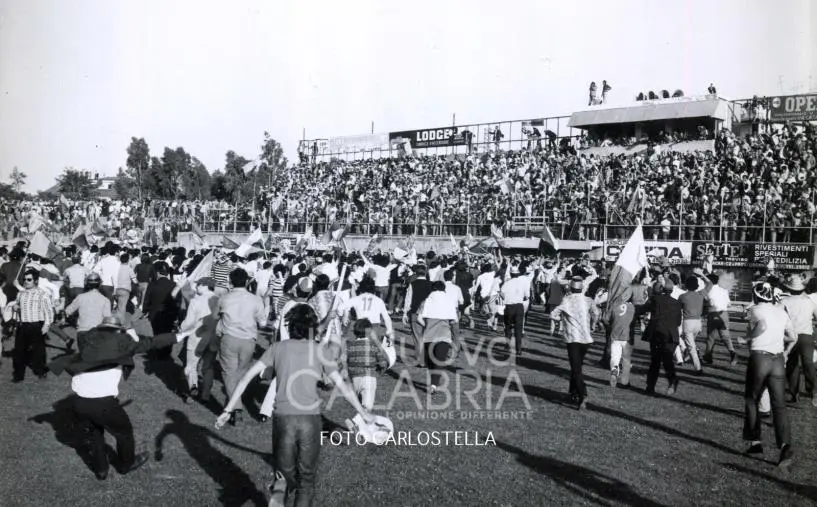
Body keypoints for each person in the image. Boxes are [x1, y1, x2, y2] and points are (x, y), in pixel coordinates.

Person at [215, 304, 373, 507]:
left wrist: (228, 410)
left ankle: (279, 494)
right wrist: (363, 413)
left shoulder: (277, 348)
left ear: (290, 326)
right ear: (313, 327)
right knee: (306, 481)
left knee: (282, 476)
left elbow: (245, 378)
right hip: (310, 421)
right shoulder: (319, 350)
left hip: (283, 419)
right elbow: (342, 386)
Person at [47, 315, 188, 480]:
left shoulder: (88, 342)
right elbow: (151, 342)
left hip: (79, 402)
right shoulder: (122, 345)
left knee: (94, 433)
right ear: (118, 330)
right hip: (103, 404)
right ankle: (125, 465)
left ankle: (101, 469)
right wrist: (180, 335)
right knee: (124, 432)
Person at [742, 282, 795, 468]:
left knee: (752, 399)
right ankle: (784, 445)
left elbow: (761, 327)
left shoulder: (755, 310)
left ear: (756, 297)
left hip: (760, 357)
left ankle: (755, 442)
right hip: (778, 359)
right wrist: (783, 346)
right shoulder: (781, 312)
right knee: (779, 405)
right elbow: (793, 336)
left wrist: (747, 338)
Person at [217, 267, 266, 426]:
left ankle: (235, 407)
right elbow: (262, 322)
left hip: (229, 338)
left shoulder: (224, 298)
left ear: (230, 282)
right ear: (246, 281)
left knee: (229, 373)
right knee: (240, 373)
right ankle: (236, 404)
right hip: (248, 340)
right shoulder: (255, 299)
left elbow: (216, 315)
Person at [551, 277, 593, 409]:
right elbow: (596, 312)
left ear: (571, 288)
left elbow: (552, 315)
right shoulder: (588, 300)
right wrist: (592, 324)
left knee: (576, 368)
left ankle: (583, 394)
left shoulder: (567, 300)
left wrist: (561, 319)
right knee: (577, 366)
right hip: (586, 339)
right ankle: (573, 392)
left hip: (573, 338)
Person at [176, 276, 219, 403]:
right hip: (214, 337)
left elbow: (189, 321)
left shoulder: (196, 300)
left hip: (196, 336)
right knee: (208, 366)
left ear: (206, 286)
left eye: (199, 284)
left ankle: (193, 386)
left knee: (191, 365)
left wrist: (181, 328)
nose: (196, 287)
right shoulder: (219, 300)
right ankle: (206, 393)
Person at [11, 268, 53, 382]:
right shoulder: (21, 293)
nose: (26, 282)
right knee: (19, 351)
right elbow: (18, 306)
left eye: (29, 279)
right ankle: (18, 375)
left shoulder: (42, 294)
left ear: (35, 281)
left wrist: (46, 325)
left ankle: (41, 371)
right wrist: (16, 308)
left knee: (38, 350)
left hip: (36, 325)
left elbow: (49, 311)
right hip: (23, 325)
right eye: (24, 279)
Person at [780, 276, 817, 405]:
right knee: (808, 364)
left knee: (792, 365)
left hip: (791, 336)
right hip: (806, 336)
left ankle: (793, 393)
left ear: (789, 288)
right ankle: (812, 390)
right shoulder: (809, 302)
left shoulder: (784, 301)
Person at [416, 281, 456, 395]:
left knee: (431, 361)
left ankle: (433, 383)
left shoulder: (426, 301)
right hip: (444, 334)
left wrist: (427, 325)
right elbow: (454, 320)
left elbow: (419, 318)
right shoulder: (449, 301)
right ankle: (434, 384)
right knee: (439, 360)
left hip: (429, 335)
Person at [644, 279, 682, 395]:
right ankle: (672, 380)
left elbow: (644, 309)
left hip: (657, 332)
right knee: (667, 361)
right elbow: (678, 322)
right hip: (671, 335)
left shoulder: (655, 299)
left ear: (661, 289)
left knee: (655, 361)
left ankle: (650, 387)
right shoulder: (677, 303)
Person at [346, 318, 390, 410]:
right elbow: (382, 363)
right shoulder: (373, 346)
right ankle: (358, 423)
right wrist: (380, 371)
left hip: (354, 378)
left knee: (359, 405)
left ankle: (359, 421)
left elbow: (344, 361)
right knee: (367, 407)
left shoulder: (350, 347)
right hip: (369, 378)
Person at [141, 261, 179, 364]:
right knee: (168, 331)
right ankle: (166, 352)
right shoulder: (174, 285)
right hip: (169, 313)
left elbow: (147, 300)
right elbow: (177, 301)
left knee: (157, 333)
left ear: (157, 272)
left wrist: (145, 311)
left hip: (155, 313)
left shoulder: (153, 285)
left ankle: (160, 353)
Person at [63, 272, 111, 349]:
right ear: (99, 285)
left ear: (87, 284)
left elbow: (68, 311)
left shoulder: (80, 297)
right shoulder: (105, 300)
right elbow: (107, 319)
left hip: (82, 331)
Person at [703, 272, 737, 366]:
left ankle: (708, 356)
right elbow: (729, 304)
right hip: (724, 314)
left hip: (713, 313)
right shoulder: (724, 290)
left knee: (711, 337)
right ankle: (732, 352)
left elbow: (706, 302)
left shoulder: (708, 290)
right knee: (726, 336)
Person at [402, 265, 432, 367]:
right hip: (428, 313)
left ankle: (421, 360)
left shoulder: (412, 284)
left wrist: (405, 313)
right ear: (426, 272)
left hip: (415, 312)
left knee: (417, 337)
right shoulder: (431, 284)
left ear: (416, 273)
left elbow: (408, 299)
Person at [676, 274, 705, 372]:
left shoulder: (682, 296)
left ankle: (698, 368)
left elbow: (677, 310)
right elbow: (710, 284)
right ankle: (689, 355)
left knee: (691, 346)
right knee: (690, 344)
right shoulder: (701, 295)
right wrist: (702, 274)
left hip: (688, 322)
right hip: (698, 322)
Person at [609, 286, 635, 389]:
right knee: (626, 359)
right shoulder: (632, 307)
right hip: (627, 336)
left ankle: (615, 368)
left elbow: (606, 319)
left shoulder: (614, 306)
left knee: (615, 357)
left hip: (615, 335)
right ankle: (625, 381)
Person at [500, 265, 529, 359]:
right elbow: (526, 296)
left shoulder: (506, 283)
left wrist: (506, 298)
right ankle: (518, 349)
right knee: (519, 328)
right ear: (518, 274)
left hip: (509, 306)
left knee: (508, 327)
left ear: (511, 274)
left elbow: (501, 293)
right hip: (519, 306)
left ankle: (508, 346)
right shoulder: (522, 283)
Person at [115, 253, 137, 319]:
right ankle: (121, 323)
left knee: (119, 307)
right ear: (127, 260)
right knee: (122, 308)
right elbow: (134, 281)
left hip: (116, 289)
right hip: (125, 290)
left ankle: (117, 321)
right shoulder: (129, 269)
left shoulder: (116, 268)